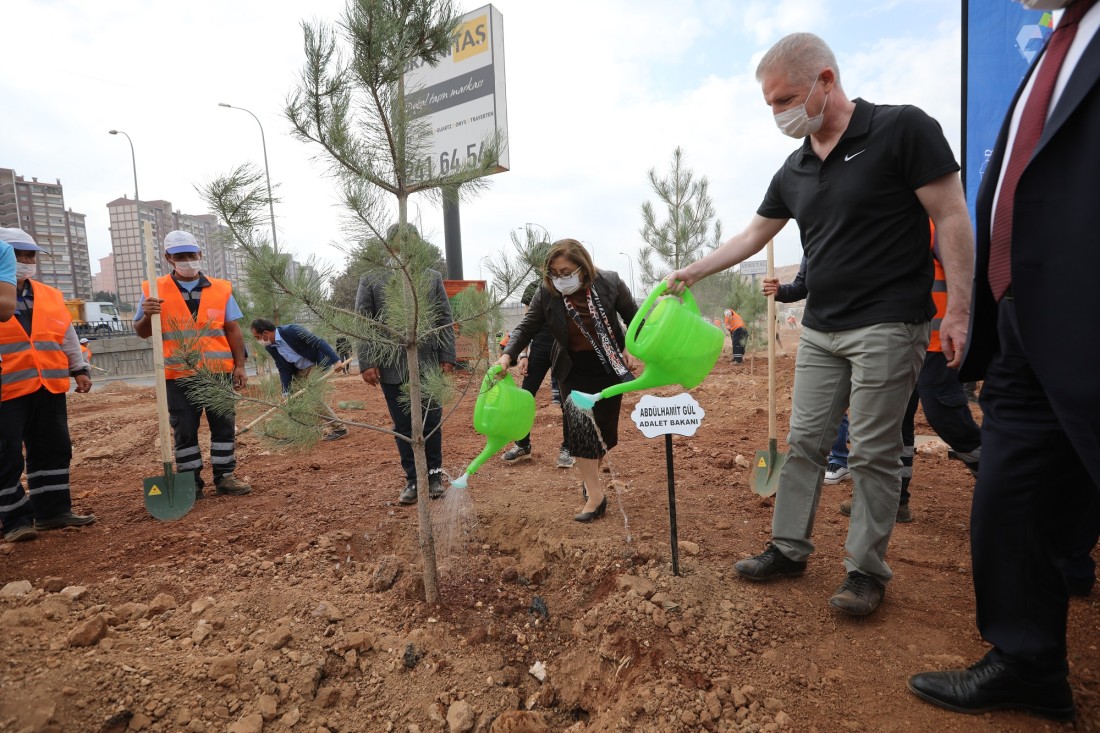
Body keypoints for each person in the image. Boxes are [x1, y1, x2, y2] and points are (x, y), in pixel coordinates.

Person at [667, 32, 974, 616]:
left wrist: (958, 306)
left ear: (825, 81)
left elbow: (951, 214)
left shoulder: (902, 129)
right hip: (821, 328)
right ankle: (788, 547)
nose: (779, 114)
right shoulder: (796, 166)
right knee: (805, 441)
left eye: (784, 100)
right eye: (770, 105)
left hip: (889, 323)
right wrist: (692, 270)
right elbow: (753, 235)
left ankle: (864, 572)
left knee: (873, 452)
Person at [908, 0, 1100, 720]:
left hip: (1084, 303)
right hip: (1021, 315)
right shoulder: (1057, 46)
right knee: (1011, 491)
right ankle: (1027, 659)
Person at [840, 235, 982, 523]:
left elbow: (966, 270)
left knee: (946, 417)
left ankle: (1003, 481)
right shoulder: (888, 225)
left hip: (937, 343)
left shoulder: (931, 224)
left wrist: (963, 321)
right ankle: (895, 501)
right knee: (895, 423)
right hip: (900, 341)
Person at [497, 239, 639, 523]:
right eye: (554, 273)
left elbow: (635, 318)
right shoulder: (547, 292)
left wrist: (631, 347)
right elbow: (527, 326)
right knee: (581, 430)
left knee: (604, 435)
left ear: (583, 268)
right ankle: (596, 496)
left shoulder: (610, 282)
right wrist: (508, 355)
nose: (560, 279)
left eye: (566, 272)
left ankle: (590, 480)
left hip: (609, 365)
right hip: (573, 368)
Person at [135, 230, 252, 499]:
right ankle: (191, 482)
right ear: (168, 258)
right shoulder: (152, 290)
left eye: (191, 255)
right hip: (177, 374)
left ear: (199, 254)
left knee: (223, 425)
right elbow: (142, 331)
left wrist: (240, 365)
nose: (187, 260)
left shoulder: (221, 288)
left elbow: (232, 329)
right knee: (185, 429)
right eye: (180, 256)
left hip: (218, 373)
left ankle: (225, 476)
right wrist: (147, 315)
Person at [0, 227, 95, 542]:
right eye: (18, 255)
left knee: (53, 448)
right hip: (6, 390)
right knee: (6, 453)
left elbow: (66, 336)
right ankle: (14, 519)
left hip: (48, 387)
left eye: (30, 255)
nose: (26, 261)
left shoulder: (51, 295)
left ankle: (52, 511)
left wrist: (79, 368)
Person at [355, 225, 455, 505]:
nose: (405, 250)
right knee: (403, 424)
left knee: (431, 421)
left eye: (411, 243)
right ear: (389, 247)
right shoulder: (372, 278)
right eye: (400, 244)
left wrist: (448, 356)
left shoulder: (431, 277)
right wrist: (368, 361)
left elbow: (443, 319)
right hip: (391, 365)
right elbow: (364, 323)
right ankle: (413, 479)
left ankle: (434, 475)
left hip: (428, 363)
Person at [764, 259, 853, 487]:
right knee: (826, 405)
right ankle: (839, 459)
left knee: (863, 408)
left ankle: (850, 459)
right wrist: (780, 290)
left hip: (865, 328)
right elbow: (801, 286)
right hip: (821, 334)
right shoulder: (814, 240)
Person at [502, 279, 574, 469]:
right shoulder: (534, 288)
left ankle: (568, 448)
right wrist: (524, 354)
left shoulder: (572, 284)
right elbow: (527, 324)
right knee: (526, 396)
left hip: (566, 346)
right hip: (540, 345)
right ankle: (523, 444)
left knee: (568, 400)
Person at [250, 318, 348, 441]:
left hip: (317, 365)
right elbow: (283, 368)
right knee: (294, 400)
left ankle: (339, 428)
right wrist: (286, 391)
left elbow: (318, 342)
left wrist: (336, 361)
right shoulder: (270, 346)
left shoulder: (292, 331)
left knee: (311, 398)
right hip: (299, 370)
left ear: (265, 333)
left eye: (257, 337)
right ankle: (305, 432)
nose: (257, 340)